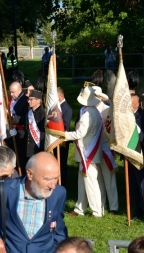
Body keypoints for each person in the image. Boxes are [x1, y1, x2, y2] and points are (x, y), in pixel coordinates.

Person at [0, 152, 68, 253]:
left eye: (56, 178)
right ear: (30, 174)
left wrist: (61, 248)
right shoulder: (2, 191)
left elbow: (58, 227)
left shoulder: (59, 193)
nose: (53, 185)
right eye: (47, 179)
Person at [65, 86, 104, 217]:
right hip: (88, 152)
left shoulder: (88, 114)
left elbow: (80, 133)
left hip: (87, 153)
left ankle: (97, 211)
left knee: (90, 183)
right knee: (83, 182)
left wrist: (64, 135)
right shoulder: (95, 112)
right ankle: (80, 207)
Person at [93, 86, 119, 215]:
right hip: (93, 148)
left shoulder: (107, 110)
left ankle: (114, 206)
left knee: (109, 179)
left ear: (101, 98)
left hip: (105, 147)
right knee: (97, 178)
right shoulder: (88, 110)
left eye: (96, 96)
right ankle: (100, 205)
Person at [129, 92, 144, 223]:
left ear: (137, 102)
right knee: (133, 186)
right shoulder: (126, 116)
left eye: (131, 100)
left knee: (143, 186)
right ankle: (137, 212)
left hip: (141, 154)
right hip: (129, 154)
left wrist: (135, 138)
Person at [54, 87, 73, 189]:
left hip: (62, 142)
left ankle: (62, 185)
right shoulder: (56, 107)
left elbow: (65, 126)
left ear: (60, 97)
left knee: (62, 165)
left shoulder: (67, 109)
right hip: (54, 141)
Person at [9, 81, 29, 172]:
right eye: (10, 92)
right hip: (12, 132)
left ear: (20, 90)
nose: (11, 94)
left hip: (21, 133)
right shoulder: (12, 99)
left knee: (20, 157)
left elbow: (26, 118)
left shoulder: (25, 100)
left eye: (13, 92)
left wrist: (13, 118)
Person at [24, 90, 45, 166]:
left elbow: (42, 131)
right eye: (28, 99)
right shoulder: (30, 112)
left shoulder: (43, 113)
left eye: (31, 99)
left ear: (38, 100)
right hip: (28, 147)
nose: (29, 101)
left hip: (38, 146)